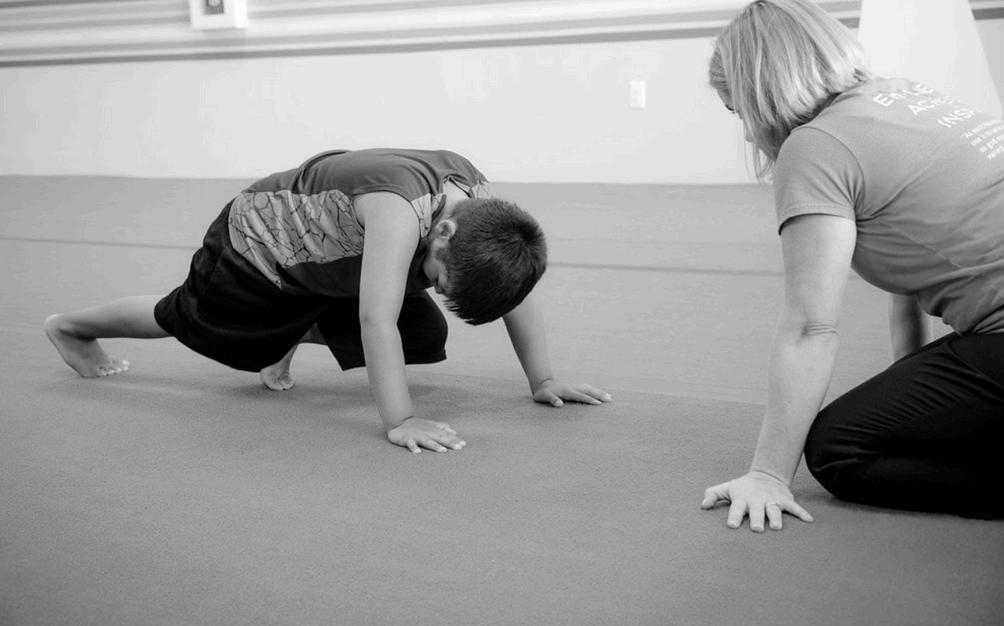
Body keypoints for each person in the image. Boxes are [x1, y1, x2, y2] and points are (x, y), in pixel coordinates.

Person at [45, 148, 612, 453]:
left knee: (423, 334)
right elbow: (374, 320)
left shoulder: (481, 214)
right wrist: (401, 420)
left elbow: (514, 295)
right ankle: (72, 327)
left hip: (336, 256)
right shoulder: (399, 211)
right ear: (443, 235)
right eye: (440, 280)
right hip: (260, 245)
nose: (437, 289)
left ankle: (289, 331)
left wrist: (542, 380)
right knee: (195, 322)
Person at [701, 0, 1004, 529]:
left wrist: (768, 475)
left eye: (738, 111)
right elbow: (910, 262)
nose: (747, 133)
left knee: (840, 446)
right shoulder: (901, 96)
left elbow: (810, 328)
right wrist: (913, 380)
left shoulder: (815, 146)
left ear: (761, 92)